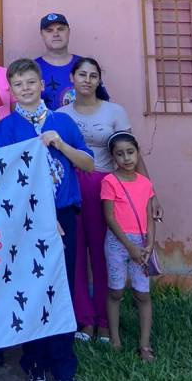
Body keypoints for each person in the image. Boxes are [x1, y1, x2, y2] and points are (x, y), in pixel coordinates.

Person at [0, 59, 94, 381]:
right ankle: (35, 363)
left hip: (65, 214)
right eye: (18, 84)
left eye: (30, 82)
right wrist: (41, 216)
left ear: (41, 85)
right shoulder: (8, 127)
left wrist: (61, 145)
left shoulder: (62, 121)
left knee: (61, 289)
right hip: (28, 220)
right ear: (11, 90)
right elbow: (7, 181)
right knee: (32, 289)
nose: (25, 89)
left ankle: (64, 366)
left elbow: (88, 163)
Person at [58, 57, 134, 342]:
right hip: (71, 187)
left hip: (105, 187)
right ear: (72, 78)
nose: (87, 80)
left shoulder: (115, 111)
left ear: (99, 80)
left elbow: (129, 151)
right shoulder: (60, 115)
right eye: (82, 74)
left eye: (93, 75)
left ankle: (104, 320)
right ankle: (84, 320)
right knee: (76, 253)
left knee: (103, 253)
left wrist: (146, 190)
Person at [101, 132, 157, 361]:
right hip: (118, 243)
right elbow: (109, 217)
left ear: (138, 153)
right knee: (116, 291)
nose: (126, 158)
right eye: (120, 154)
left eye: (130, 152)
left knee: (142, 293)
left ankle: (145, 344)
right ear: (113, 157)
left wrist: (149, 245)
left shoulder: (146, 183)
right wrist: (129, 247)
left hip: (142, 245)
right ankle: (115, 339)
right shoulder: (109, 181)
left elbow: (149, 217)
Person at [34, 12, 110, 111]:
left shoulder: (85, 65)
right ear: (42, 34)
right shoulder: (32, 68)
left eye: (61, 29)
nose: (56, 34)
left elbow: (103, 103)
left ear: (69, 32)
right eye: (49, 30)